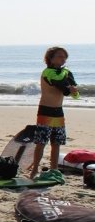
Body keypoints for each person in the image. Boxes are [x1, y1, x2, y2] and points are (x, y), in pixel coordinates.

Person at [29, 47, 79, 177]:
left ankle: (54, 170)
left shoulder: (65, 73)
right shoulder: (48, 72)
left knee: (56, 143)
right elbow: (60, 86)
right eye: (60, 56)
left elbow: (73, 94)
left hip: (58, 112)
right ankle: (34, 170)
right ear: (50, 58)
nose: (63, 59)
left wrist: (74, 91)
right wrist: (69, 89)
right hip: (46, 110)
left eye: (64, 57)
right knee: (41, 142)